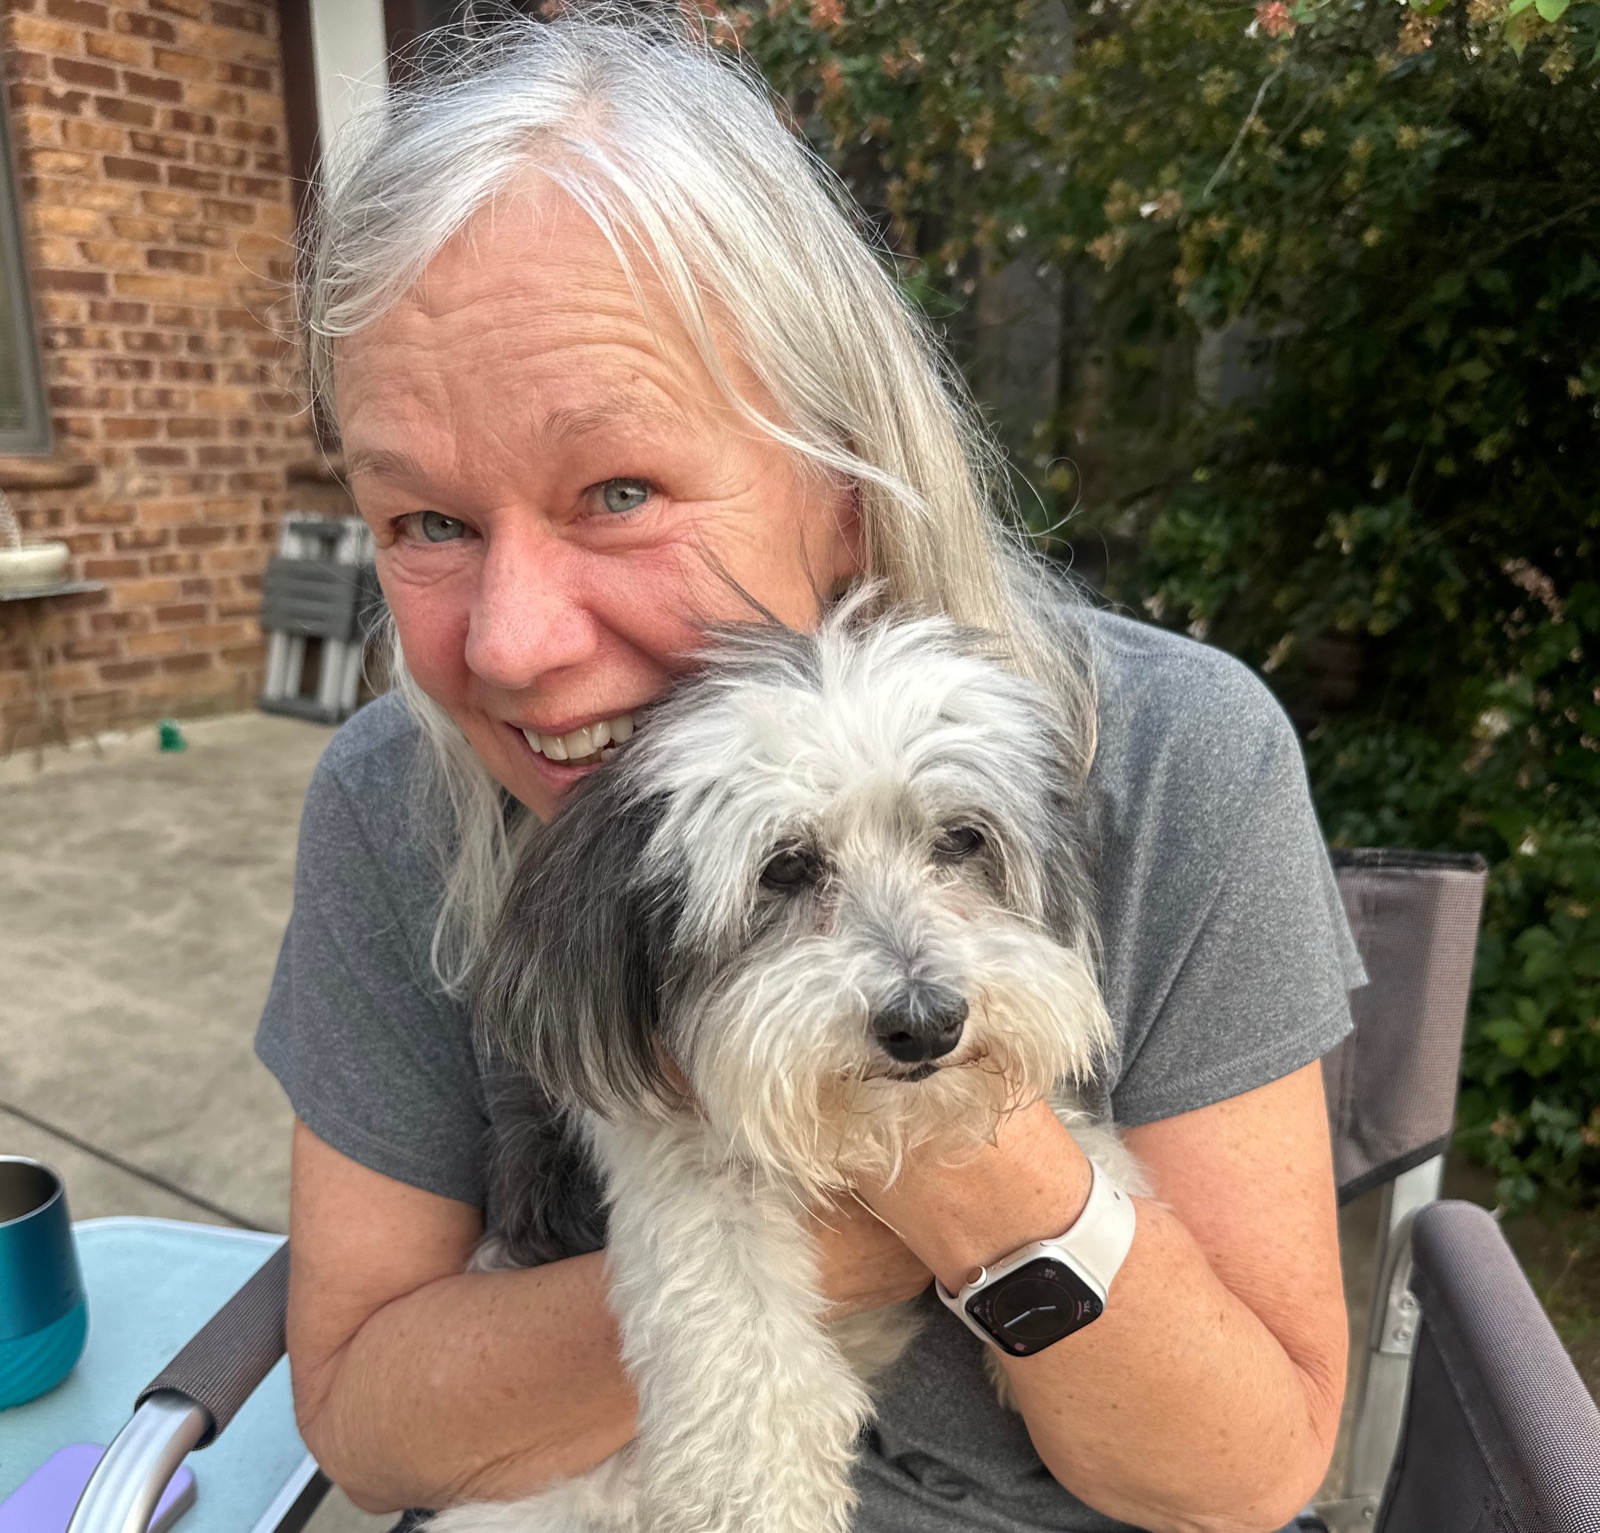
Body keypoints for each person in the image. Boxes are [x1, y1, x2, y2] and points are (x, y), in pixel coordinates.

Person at [257, 13, 1363, 1533]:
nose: (510, 647)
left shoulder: (1179, 758)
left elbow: (1242, 1474)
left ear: (847, 483)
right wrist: (737, 1231)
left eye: (619, 488)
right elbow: (370, 1422)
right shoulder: (394, 799)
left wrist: (936, 1124)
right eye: (426, 523)